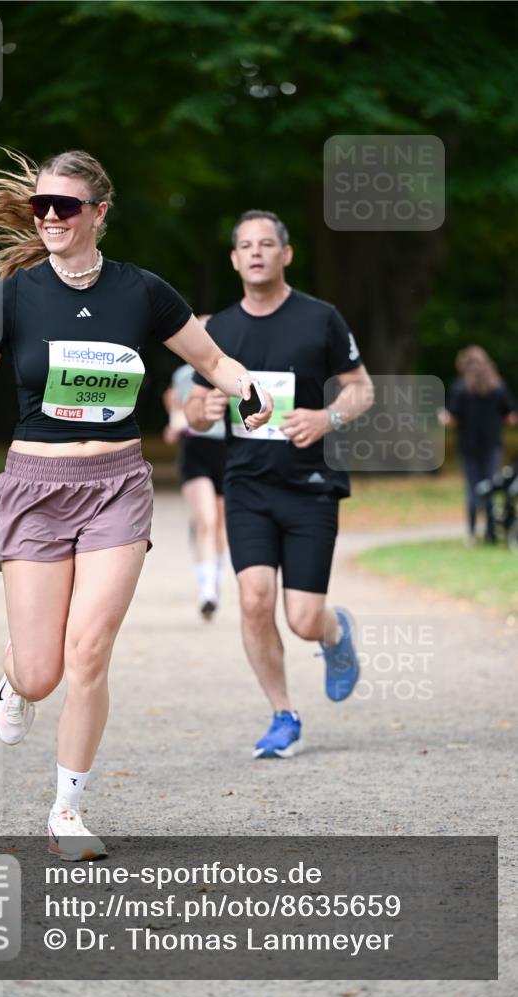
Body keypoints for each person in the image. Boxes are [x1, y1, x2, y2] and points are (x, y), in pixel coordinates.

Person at [0, 149, 272, 860]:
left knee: (88, 653)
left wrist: (248, 386)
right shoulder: (14, 296)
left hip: (116, 486)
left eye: (65, 206)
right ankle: (15, 680)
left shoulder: (142, 292)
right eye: (40, 206)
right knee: (43, 670)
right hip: (34, 491)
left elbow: (212, 360)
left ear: (98, 215)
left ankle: (67, 810)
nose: (49, 216)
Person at [185, 210, 374, 760]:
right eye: (246, 245)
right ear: (235, 259)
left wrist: (326, 419)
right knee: (252, 599)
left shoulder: (321, 319)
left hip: (311, 485)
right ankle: (283, 715)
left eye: (268, 243)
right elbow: (195, 410)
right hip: (246, 485)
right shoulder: (216, 330)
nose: (257, 253)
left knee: (302, 618)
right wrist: (206, 406)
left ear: (286, 254)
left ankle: (335, 633)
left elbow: (361, 390)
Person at [163, 344, 227, 620]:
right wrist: (174, 425)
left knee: (221, 524)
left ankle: (214, 577)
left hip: (229, 452)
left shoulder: (230, 373)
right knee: (207, 520)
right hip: (196, 450)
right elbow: (177, 410)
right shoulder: (183, 375)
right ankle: (207, 592)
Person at [442, 346, 517, 544]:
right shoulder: (498, 388)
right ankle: (491, 533)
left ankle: (472, 533)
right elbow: (510, 417)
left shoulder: (460, 389)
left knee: (473, 489)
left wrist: (443, 418)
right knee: (491, 487)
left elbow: (452, 420)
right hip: (493, 445)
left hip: (468, 446)